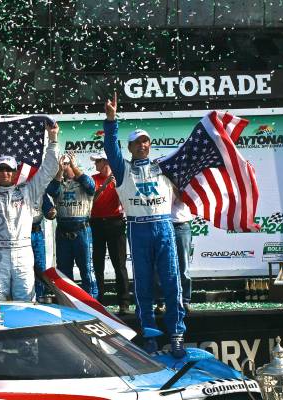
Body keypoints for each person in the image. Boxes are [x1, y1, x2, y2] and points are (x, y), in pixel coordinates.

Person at [103, 93, 186, 358]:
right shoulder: (122, 168)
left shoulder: (165, 167)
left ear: (150, 144)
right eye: (137, 143)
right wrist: (111, 119)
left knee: (172, 283)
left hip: (164, 228)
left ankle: (176, 336)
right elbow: (110, 148)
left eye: (145, 141)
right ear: (129, 148)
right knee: (144, 287)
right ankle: (149, 337)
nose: (142, 145)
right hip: (138, 229)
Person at [0, 117, 59, 301]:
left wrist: (53, 139)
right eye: (1, 169)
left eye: (9, 169)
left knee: (25, 300)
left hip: (23, 251)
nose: (5, 172)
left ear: (15, 173)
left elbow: (49, 169)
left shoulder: (28, 191)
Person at [46, 152, 98, 298]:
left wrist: (74, 167)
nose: (65, 166)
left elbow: (91, 186)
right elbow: (51, 191)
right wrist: (60, 171)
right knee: (64, 270)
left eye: (67, 164)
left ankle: (92, 301)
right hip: (63, 231)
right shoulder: (57, 184)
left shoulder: (84, 182)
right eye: (63, 165)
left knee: (87, 269)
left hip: (81, 230)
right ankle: (68, 300)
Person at [90, 152, 130, 315]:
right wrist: (105, 185)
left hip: (116, 223)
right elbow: (90, 200)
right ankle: (99, 302)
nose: (95, 164)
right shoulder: (92, 179)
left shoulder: (120, 177)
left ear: (106, 162)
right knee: (98, 264)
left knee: (119, 265)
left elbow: (128, 199)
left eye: (98, 161)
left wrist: (119, 187)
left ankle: (124, 303)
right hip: (96, 223)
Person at [155, 195, 193, 315]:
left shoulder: (182, 179)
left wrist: (174, 187)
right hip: (161, 225)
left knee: (183, 266)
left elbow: (186, 198)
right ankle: (161, 302)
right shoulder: (158, 180)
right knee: (160, 266)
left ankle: (185, 301)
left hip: (181, 225)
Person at [32, 194, 56, 300]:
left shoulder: (40, 190)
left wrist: (52, 213)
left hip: (35, 231)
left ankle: (39, 296)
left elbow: (49, 213)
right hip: (18, 235)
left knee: (39, 268)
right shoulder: (14, 189)